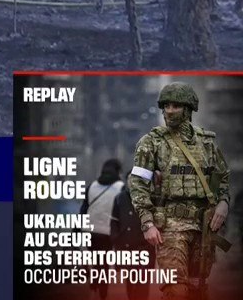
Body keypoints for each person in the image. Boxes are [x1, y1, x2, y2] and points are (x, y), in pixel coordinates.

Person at [128, 82, 232, 300]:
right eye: (166, 105)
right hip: (170, 227)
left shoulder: (207, 143)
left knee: (198, 290)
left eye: (176, 105)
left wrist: (223, 202)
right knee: (175, 289)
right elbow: (138, 183)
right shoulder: (152, 142)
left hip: (203, 227)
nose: (169, 110)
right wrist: (147, 223)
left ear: (188, 109)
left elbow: (222, 178)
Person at [81, 159, 126, 299]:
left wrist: (76, 231)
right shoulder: (121, 187)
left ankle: (94, 286)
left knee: (95, 261)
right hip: (107, 233)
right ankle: (102, 293)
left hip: (89, 231)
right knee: (104, 263)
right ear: (118, 171)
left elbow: (83, 209)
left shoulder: (92, 186)